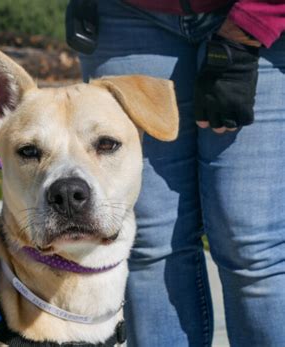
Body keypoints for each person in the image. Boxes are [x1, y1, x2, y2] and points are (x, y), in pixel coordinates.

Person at [75, 1, 285, 346]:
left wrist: (252, 23)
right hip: (127, 15)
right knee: (147, 241)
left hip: (263, 20)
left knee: (251, 247)